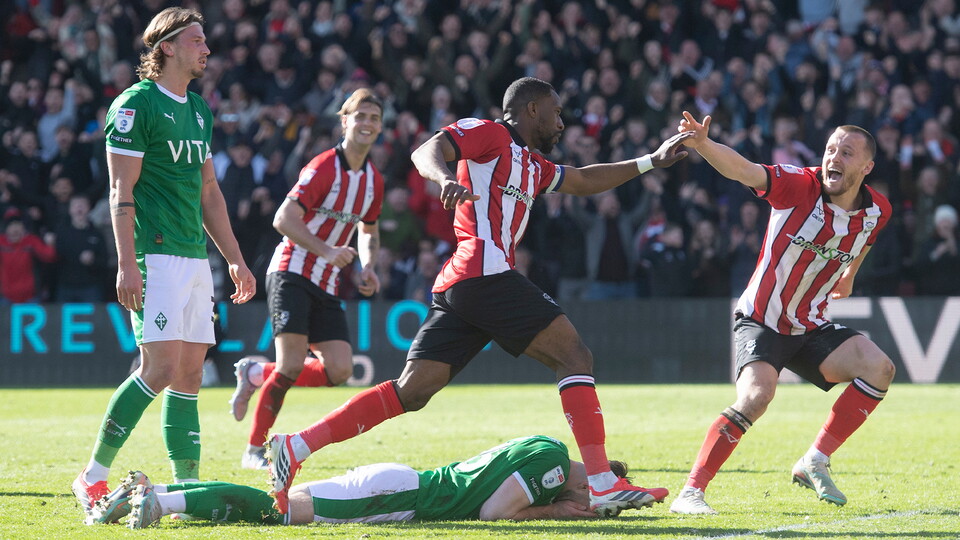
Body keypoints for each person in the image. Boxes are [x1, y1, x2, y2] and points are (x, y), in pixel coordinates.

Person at [265, 77, 693, 517]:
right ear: (531, 109)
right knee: (575, 357)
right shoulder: (490, 133)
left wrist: (650, 161)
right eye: (556, 111)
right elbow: (424, 151)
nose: (562, 122)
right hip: (483, 271)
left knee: (411, 391)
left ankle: (295, 445)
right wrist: (446, 178)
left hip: (466, 283)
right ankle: (602, 483)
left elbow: (583, 180)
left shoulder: (533, 164)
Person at [72, 7, 256, 521]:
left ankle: (186, 488)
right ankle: (92, 476)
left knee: (191, 373)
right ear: (168, 47)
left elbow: (210, 191)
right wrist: (126, 264)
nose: (207, 49)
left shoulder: (199, 111)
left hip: (195, 258)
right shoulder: (135, 105)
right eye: (197, 40)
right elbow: (119, 188)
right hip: (153, 255)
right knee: (158, 368)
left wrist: (235, 261)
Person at [668, 111, 896, 515]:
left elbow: (866, 239)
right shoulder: (798, 186)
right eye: (829, 149)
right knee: (757, 397)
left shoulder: (878, 209)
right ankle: (691, 492)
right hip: (762, 318)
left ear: (866, 167)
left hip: (811, 324)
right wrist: (703, 144)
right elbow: (744, 170)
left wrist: (850, 275)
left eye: (845, 152)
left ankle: (815, 460)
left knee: (880, 369)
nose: (833, 158)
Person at [228, 88, 385, 470]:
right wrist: (328, 251)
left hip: (327, 281)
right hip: (292, 271)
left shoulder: (373, 180)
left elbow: (368, 229)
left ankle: (254, 373)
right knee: (291, 365)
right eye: (360, 116)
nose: (367, 123)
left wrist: (367, 266)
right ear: (344, 121)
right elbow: (283, 218)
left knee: (340, 370)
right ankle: (254, 450)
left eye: (374, 118)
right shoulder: (323, 167)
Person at [91, 435, 626, 529]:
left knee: (279, 505)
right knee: (276, 512)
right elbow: (493, 516)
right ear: (588, 486)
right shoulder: (556, 470)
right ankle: (161, 500)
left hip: (398, 484)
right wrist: (560, 513)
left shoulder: (547, 447)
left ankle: (152, 492)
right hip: (399, 497)